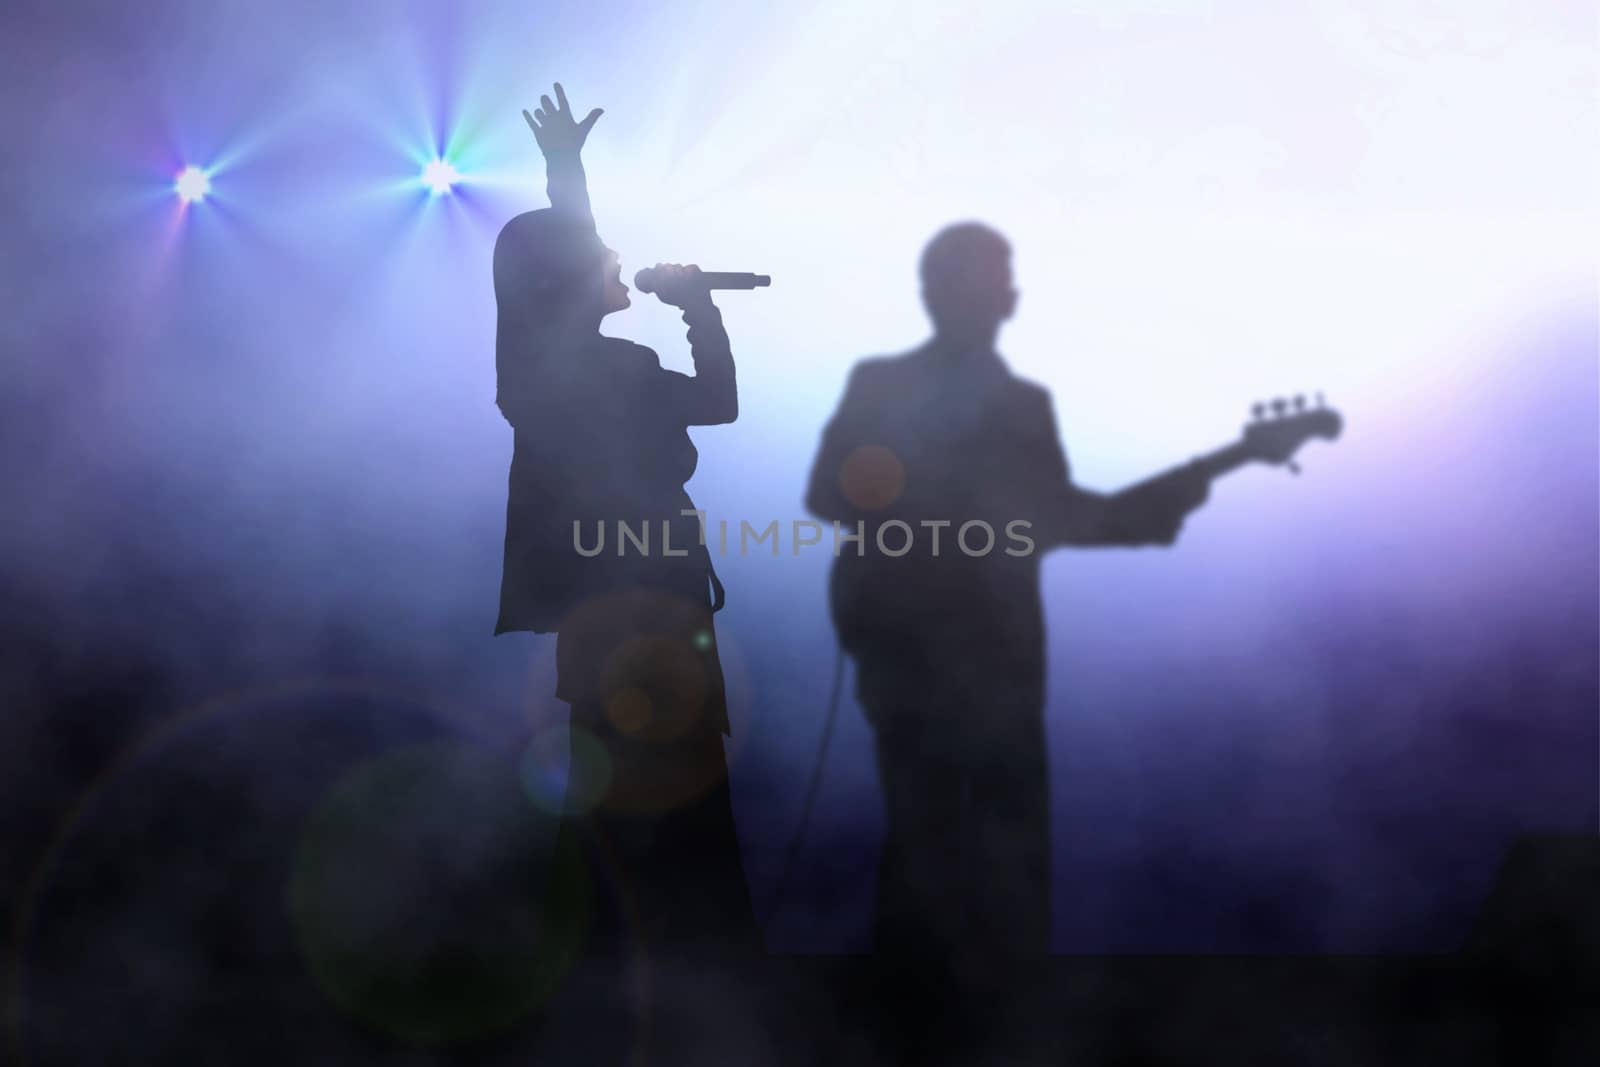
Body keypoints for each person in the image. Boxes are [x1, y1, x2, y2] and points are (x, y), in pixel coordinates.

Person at [805, 221, 1210, 977]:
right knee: (946, 835)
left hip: (985, 657)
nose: (1002, 293)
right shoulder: (887, 386)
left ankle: (974, 1013)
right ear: (965, 297)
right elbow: (830, 493)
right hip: (928, 653)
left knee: (981, 838)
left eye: (999, 279)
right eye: (992, 278)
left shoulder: (1020, 402)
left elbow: (1051, 517)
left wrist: (1159, 504)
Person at [492, 84, 757, 976]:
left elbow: (717, 404)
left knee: (684, 770)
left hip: (668, 587)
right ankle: (615, 959)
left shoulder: (632, 363)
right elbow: (558, 267)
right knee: (622, 771)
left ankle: (695, 953)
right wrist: (567, 176)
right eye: (599, 254)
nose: (616, 261)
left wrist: (700, 308)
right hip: (611, 601)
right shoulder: (541, 373)